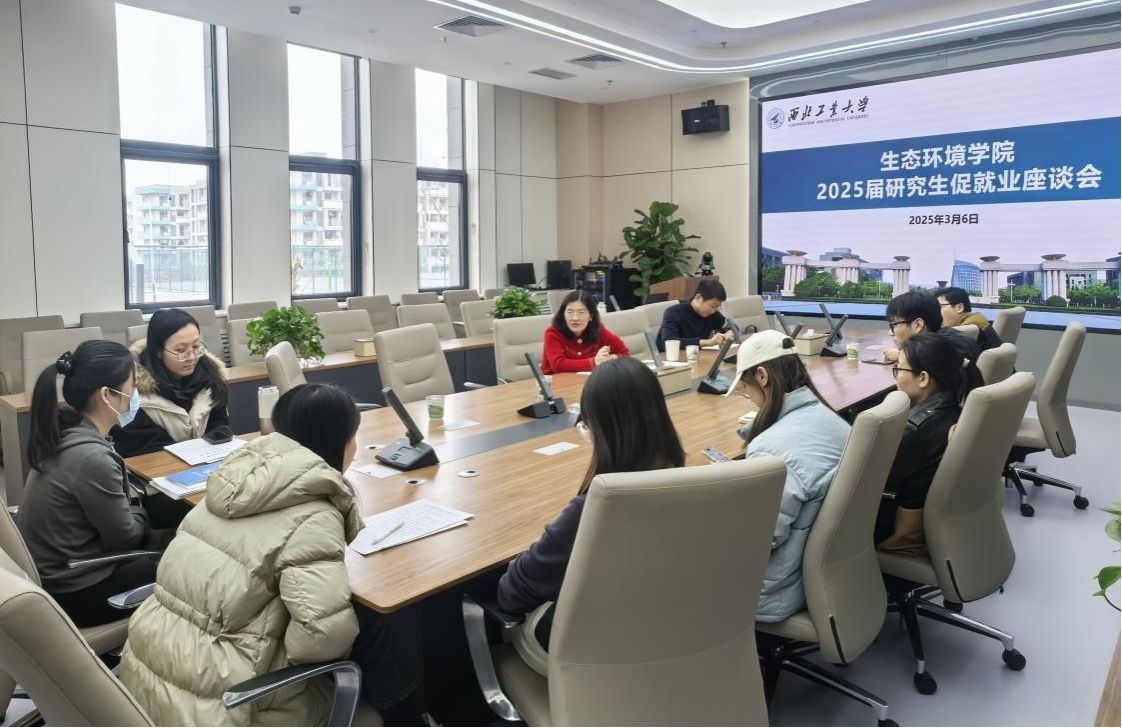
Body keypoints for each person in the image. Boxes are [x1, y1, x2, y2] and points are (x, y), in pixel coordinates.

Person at [120, 383, 427, 726]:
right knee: (369, 623)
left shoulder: (228, 486)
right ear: (341, 441)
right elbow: (321, 640)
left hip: (144, 683)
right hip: (226, 707)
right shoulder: (313, 514)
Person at [497, 357, 685, 674]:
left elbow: (512, 594)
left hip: (588, 653)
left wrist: (526, 557)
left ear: (603, 428)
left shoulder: (594, 509)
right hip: (669, 632)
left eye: (586, 426)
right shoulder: (691, 483)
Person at [16, 340, 170, 628]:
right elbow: (125, 538)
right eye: (132, 385)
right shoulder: (91, 457)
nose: (136, 394)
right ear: (107, 395)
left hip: (62, 571)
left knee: (167, 528)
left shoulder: (66, 434)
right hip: (78, 592)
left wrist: (134, 512)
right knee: (186, 557)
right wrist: (138, 512)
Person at [726, 330, 851, 622]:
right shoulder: (832, 420)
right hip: (830, 571)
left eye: (745, 388)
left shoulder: (771, 451)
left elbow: (758, 539)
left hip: (777, 590)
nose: (748, 398)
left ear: (762, 376)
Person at [875, 333, 982, 553]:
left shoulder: (914, 430)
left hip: (892, 526)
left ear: (923, 378)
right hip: (937, 516)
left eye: (898, 369)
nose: (895, 377)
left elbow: (868, 483)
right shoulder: (956, 408)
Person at [112, 307, 232, 458]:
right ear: (158, 351)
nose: (191, 357)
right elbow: (142, 447)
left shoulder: (212, 379)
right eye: (181, 350)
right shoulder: (131, 392)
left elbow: (219, 423)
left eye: (196, 347)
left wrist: (219, 435)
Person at [541, 290, 630, 373]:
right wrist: (594, 362)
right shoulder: (553, 333)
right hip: (555, 381)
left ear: (591, 316)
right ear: (563, 314)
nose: (575, 318)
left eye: (581, 312)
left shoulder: (598, 330)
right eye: (570, 312)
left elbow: (624, 353)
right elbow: (558, 365)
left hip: (588, 380)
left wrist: (609, 358)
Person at [882, 290, 980, 365]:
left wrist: (902, 356)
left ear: (918, 325)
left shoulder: (946, 351)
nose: (890, 333)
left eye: (894, 325)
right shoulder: (947, 338)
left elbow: (937, 358)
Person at [655, 277, 735, 350]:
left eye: (717, 307)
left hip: (698, 356)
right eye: (712, 306)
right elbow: (669, 341)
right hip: (671, 357)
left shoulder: (712, 314)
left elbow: (733, 327)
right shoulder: (674, 312)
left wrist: (729, 334)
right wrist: (707, 342)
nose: (713, 311)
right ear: (698, 297)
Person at [935, 286, 1003, 352]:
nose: (935, 312)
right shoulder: (977, 320)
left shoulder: (962, 333)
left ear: (959, 308)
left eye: (939, 307)